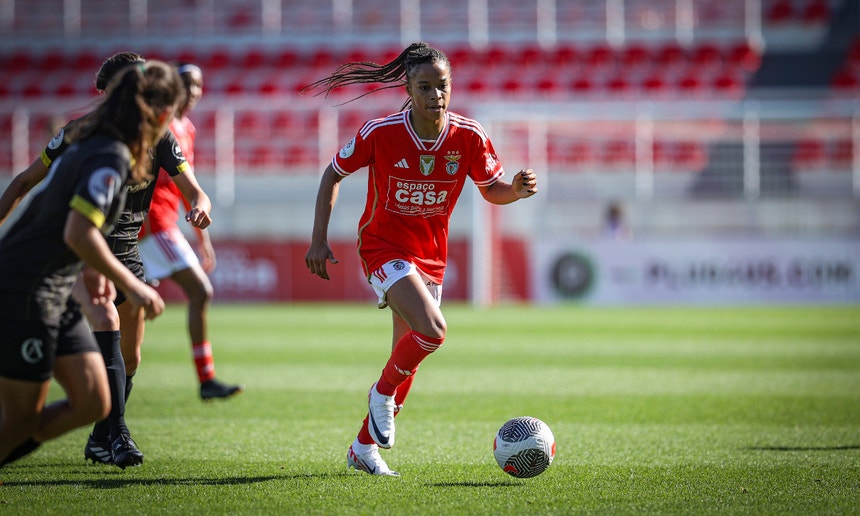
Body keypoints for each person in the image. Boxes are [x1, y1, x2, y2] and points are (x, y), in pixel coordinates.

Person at [303, 42, 538, 476]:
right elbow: (332, 172)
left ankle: (362, 448)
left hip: (430, 257)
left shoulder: (469, 135)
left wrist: (516, 191)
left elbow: (491, 188)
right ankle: (379, 393)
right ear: (408, 89)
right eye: (425, 87)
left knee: (407, 357)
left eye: (442, 85)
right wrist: (318, 239)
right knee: (433, 331)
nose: (436, 95)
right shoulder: (381, 132)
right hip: (382, 247)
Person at [0, 52, 214, 469]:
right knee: (104, 321)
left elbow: (194, 190)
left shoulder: (154, 140)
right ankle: (116, 436)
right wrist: (132, 285)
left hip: (113, 254)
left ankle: (102, 435)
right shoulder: (92, 143)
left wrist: (200, 206)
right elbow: (67, 221)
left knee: (109, 381)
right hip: (53, 267)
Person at [138, 63, 242, 401]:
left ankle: (109, 370)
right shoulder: (159, 125)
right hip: (153, 223)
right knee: (199, 291)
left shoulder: (187, 128)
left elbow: (188, 187)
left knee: (132, 305)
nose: (193, 92)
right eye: (186, 84)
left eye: (198, 86)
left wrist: (203, 238)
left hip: (167, 223)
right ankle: (206, 379)